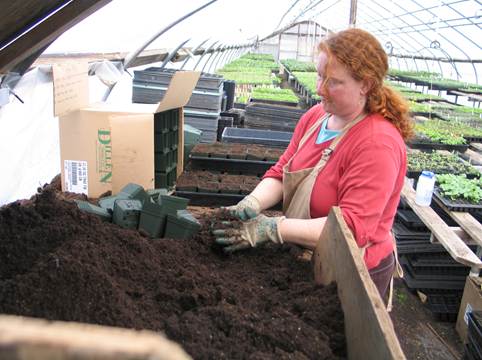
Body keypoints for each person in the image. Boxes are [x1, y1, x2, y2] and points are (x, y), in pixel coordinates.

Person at [213, 28, 414, 304]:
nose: (319, 88)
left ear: (365, 85)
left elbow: (350, 230)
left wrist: (271, 229)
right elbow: (282, 172)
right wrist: (252, 202)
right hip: (304, 254)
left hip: (351, 272)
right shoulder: (316, 117)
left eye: (333, 82)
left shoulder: (377, 143)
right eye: (319, 75)